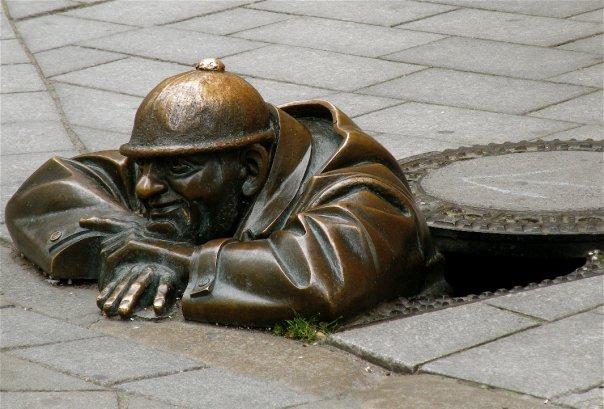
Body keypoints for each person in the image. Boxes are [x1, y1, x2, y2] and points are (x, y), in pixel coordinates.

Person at [6, 59, 439, 327]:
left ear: (250, 168)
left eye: (176, 168)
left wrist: (181, 261)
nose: (144, 186)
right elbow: (45, 192)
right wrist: (130, 240)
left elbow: (319, 279)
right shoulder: (185, 169)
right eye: (143, 164)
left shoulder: (362, 191)